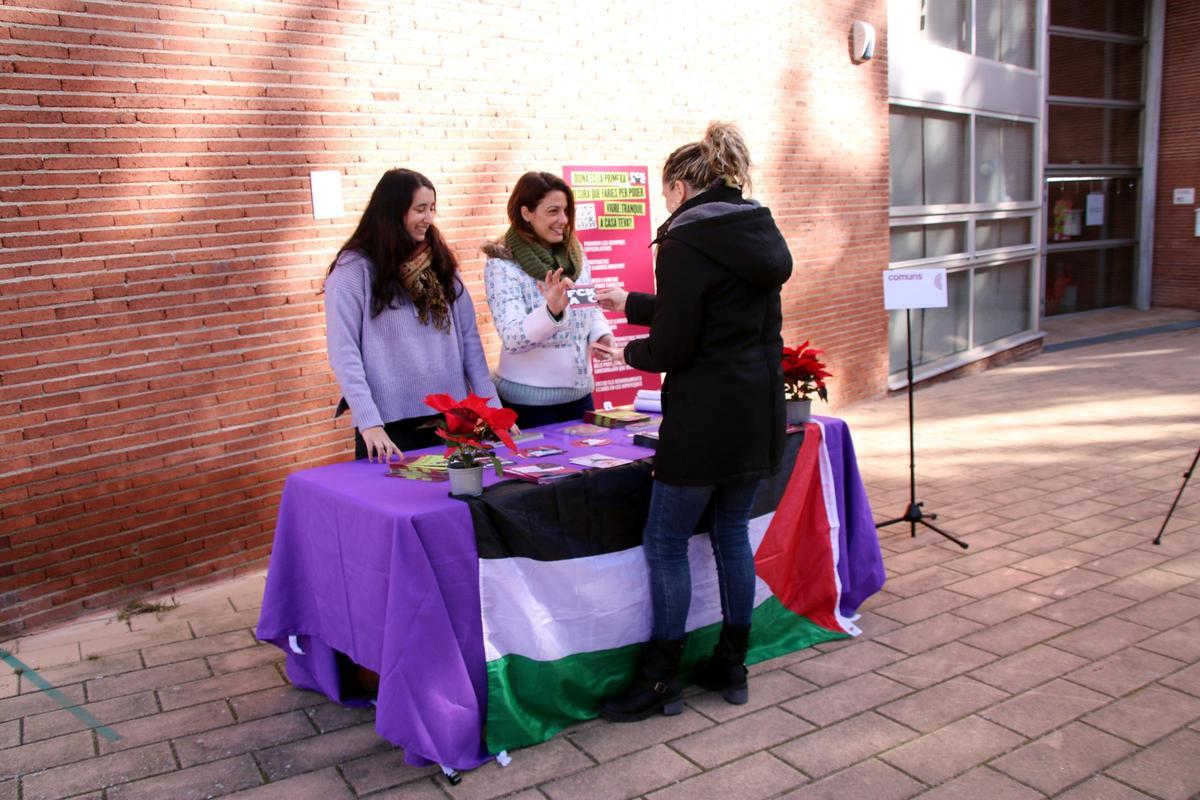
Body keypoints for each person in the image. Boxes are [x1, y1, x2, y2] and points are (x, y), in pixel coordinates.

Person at [596, 122, 793, 721]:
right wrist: (628, 304)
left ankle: (660, 679)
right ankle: (732, 663)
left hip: (704, 417)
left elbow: (677, 345)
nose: (665, 206)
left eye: (665, 195)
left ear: (680, 188)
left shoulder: (685, 240)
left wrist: (622, 352)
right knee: (731, 533)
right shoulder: (754, 229)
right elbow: (711, 316)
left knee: (665, 540)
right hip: (756, 412)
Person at [324, 168, 498, 462]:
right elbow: (344, 351)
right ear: (393, 211)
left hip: (452, 420)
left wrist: (491, 407)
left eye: (432, 209)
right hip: (390, 429)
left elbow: (470, 341)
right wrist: (369, 422)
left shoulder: (441, 263)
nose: (429, 218)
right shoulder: (353, 270)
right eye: (420, 209)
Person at [481, 171, 617, 428]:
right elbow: (512, 337)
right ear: (526, 213)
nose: (563, 220)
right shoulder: (503, 264)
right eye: (553, 211)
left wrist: (600, 335)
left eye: (566, 211)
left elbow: (587, 304)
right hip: (530, 408)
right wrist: (551, 311)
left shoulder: (574, 253)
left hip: (581, 399)